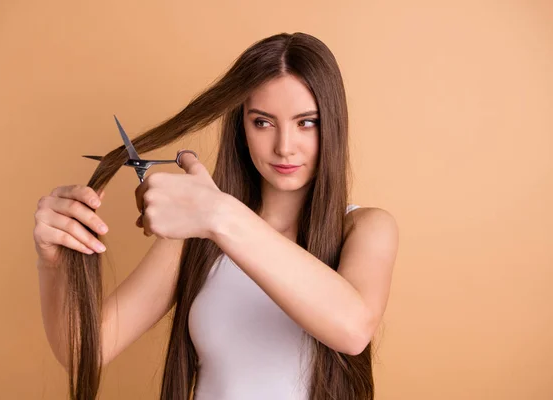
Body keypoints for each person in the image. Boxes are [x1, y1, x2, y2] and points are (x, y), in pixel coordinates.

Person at [33, 32, 399, 400]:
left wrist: (218, 213)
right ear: (241, 127)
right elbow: (82, 354)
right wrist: (51, 263)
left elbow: (352, 329)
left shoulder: (365, 228)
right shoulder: (197, 237)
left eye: (307, 122)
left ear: (332, 125)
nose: (285, 146)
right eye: (262, 122)